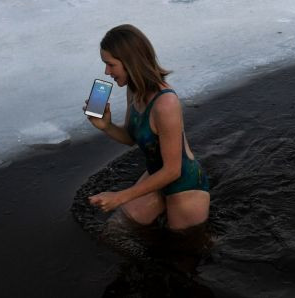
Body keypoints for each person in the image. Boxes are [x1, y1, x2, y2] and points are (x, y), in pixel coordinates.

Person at [84, 24, 210, 231]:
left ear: (130, 63)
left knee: (182, 254)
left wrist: (119, 197)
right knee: (116, 231)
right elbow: (132, 138)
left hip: (183, 185)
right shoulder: (134, 90)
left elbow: (172, 171)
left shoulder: (165, 103)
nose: (107, 71)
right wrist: (106, 126)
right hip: (156, 175)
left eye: (110, 64)